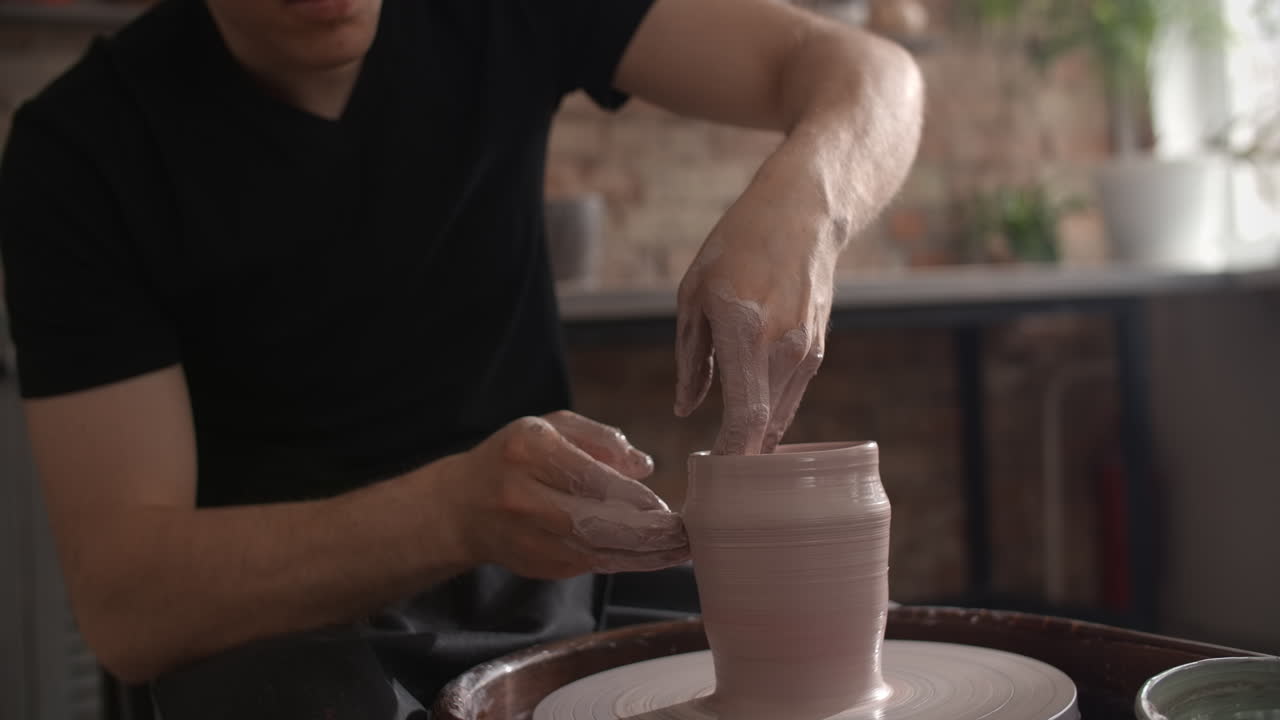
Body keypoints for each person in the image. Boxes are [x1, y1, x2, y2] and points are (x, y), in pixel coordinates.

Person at [0, 0, 922, 715]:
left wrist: (811, 196)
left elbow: (868, 70)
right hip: (275, 637)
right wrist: (451, 513)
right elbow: (128, 603)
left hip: (542, 591)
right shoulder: (80, 151)